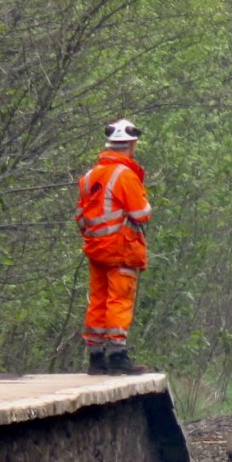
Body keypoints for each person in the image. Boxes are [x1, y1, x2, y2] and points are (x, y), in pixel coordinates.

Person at [75, 119, 152, 376]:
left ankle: (96, 357)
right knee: (119, 299)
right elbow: (141, 214)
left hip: (97, 249)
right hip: (121, 249)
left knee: (97, 300)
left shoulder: (89, 177)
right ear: (131, 145)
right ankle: (118, 355)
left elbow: (81, 216)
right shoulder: (125, 175)